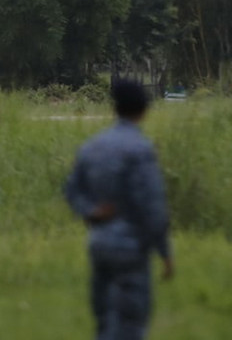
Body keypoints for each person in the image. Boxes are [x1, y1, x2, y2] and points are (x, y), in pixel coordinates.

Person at [65, 80, 173, 340]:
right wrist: (165, 252)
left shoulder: (93, 146)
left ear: (115, 109)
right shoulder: (140, 150)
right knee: (130, 324)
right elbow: (152, 206)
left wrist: (90, 211)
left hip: (99, 244)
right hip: (131, 248)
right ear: (144, 110)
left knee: (103, 320)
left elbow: (71, 189)